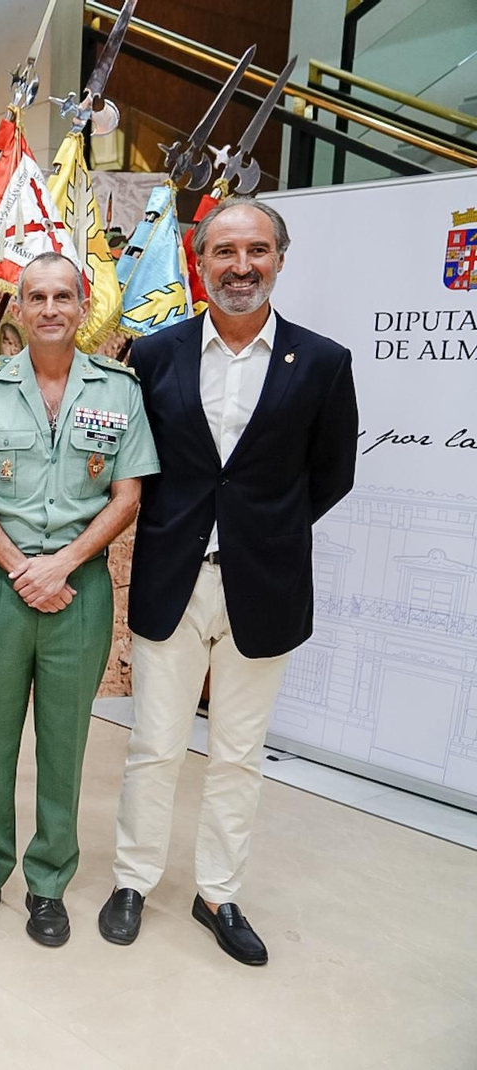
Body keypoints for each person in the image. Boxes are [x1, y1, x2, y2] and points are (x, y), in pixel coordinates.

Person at [99, 197, 357, 965]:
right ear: (200, 261)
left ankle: (218, 894)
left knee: (240, 753)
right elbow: (136, 463)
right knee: (154, 745)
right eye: (225, 252)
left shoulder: (323, 362)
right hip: (171, 580)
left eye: (257, 251)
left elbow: (332, 474)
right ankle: (133, 880)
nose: (241, 267)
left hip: (265, 585)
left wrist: (261, 532)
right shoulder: (155, 355)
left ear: (279, 259)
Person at [0, 252, 158, 948]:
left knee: (65, 744)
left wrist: (61, 564)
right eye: (36, 297)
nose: (50, 309)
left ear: (82, 305)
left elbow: (128, 495)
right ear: (21, 306)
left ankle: (48, 882)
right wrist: (20, 568)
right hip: (0, 590)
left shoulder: (119, 390)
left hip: (80, 586)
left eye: (63, 296)